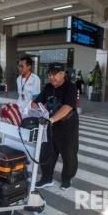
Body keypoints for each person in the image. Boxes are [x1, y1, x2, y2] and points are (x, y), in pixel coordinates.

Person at [32, 62, 79, 191]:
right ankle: (47, 178)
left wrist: (51, 119)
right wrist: (29, 111)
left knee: (69, 155)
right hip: (50, 127)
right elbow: (36, 103)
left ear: (62, 74)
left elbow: (67, 107)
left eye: (54, 74)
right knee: (47, 153)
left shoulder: (70, 87)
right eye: (49, 74)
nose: (51, 77)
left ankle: (67, 179)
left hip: (67, 128)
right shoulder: (48, 87)